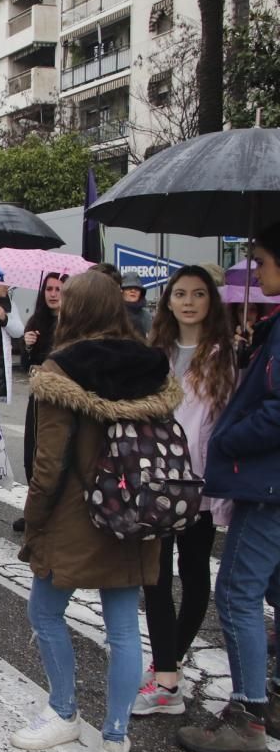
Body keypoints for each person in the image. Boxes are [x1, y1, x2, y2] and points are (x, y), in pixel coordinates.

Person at [9, 272, 171, 752]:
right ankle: (116, 737)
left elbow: (49, 461)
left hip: (75, 517)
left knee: (45, 612)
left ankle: (63, 710)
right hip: (134, 513)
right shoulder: (153, 364)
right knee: (122, 628)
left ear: (73, 310)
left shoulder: (63, 367)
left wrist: (33, 519)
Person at [178, 223, 280, 752]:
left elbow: (276, 408)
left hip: (268, 485)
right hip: (269, 483)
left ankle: (247, 714)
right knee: (276, 591)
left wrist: (226, 438)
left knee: (237, 592)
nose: (257, 272)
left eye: (262, 260)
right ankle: (273, 694)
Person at [134, 266, 236, 717]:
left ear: (211, 301)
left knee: (194, 571)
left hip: (200, 481)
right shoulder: (155, 351)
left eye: (198, 293)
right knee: (154, 575)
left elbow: (225, 422)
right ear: (168, 301)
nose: (189, 301)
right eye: (180, 293)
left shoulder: (224, 355)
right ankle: (168, 674)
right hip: (157, 477)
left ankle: (166, 666)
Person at [9, 272, 65, 534]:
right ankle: (33, 510)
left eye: (58, 289)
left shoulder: (73, 323)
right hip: (37, 396)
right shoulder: (37, 321)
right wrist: (28, 346)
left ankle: (53, 513)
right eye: (49, 289)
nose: (53, 293)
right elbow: (26, 366)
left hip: (61, 399)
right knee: (31, 452)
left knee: (53, 455)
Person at [121, 272, 152, 336]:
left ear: (141, 293)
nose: (133, 291)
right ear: (122, 291)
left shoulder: (146, 316)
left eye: (137, 288)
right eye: (129, 288)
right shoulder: (113, 313)